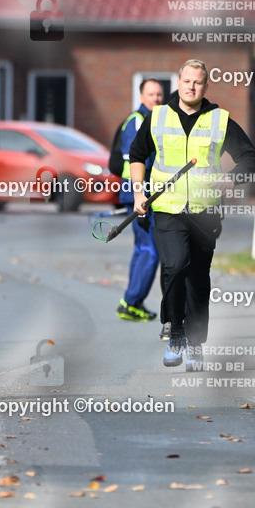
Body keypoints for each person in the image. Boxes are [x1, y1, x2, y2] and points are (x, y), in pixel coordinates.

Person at [129, 59, 255, 370]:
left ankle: (196, 344)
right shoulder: (158, 117)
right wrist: (138, 193)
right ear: (179, 83)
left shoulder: (219, 120)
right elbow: (137, 154)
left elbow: (249, 157)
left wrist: (229, 181)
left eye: (197, 82)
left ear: (205, 86)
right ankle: (175, 333)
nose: (191, 86)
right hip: (168, 208)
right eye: (187, 81)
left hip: (205, 211)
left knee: (198, 277)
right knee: (174, 266)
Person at [114, 79, 164, 325]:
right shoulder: (137, 120)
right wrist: (140, 193)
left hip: (141, 193)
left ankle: (132, 302)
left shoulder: (153, 119)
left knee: (143, 248)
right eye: (151, 94)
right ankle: (131, 302)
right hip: (139, 194)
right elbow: (135, 158)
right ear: (141, 96)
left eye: (159, 94)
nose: (156, 98)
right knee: (150, 250)